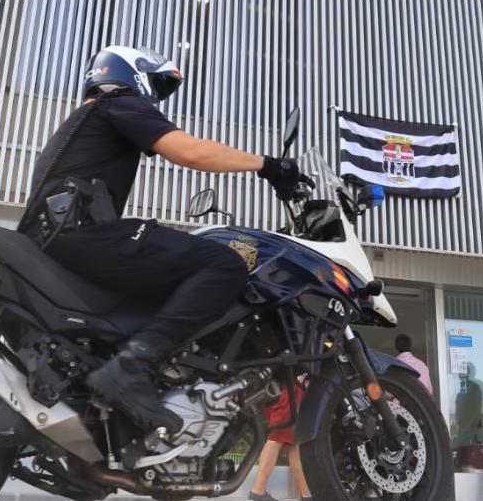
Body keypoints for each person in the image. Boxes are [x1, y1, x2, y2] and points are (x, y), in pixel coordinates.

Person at [19, 46, 304, 432]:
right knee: (223, 263)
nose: (154, 95)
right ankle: (131, 366)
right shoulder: (116, 102)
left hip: (58, 236)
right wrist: (268, 165)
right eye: (154, 83)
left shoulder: (87, 118)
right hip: (85, 232)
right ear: (130, 74)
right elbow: (190, 152)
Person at [249, 380, 311, 501]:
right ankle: (258, 490)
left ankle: (306, 494)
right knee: (277, 437)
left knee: (294, 443)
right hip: (291, 387)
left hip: (280, 386)